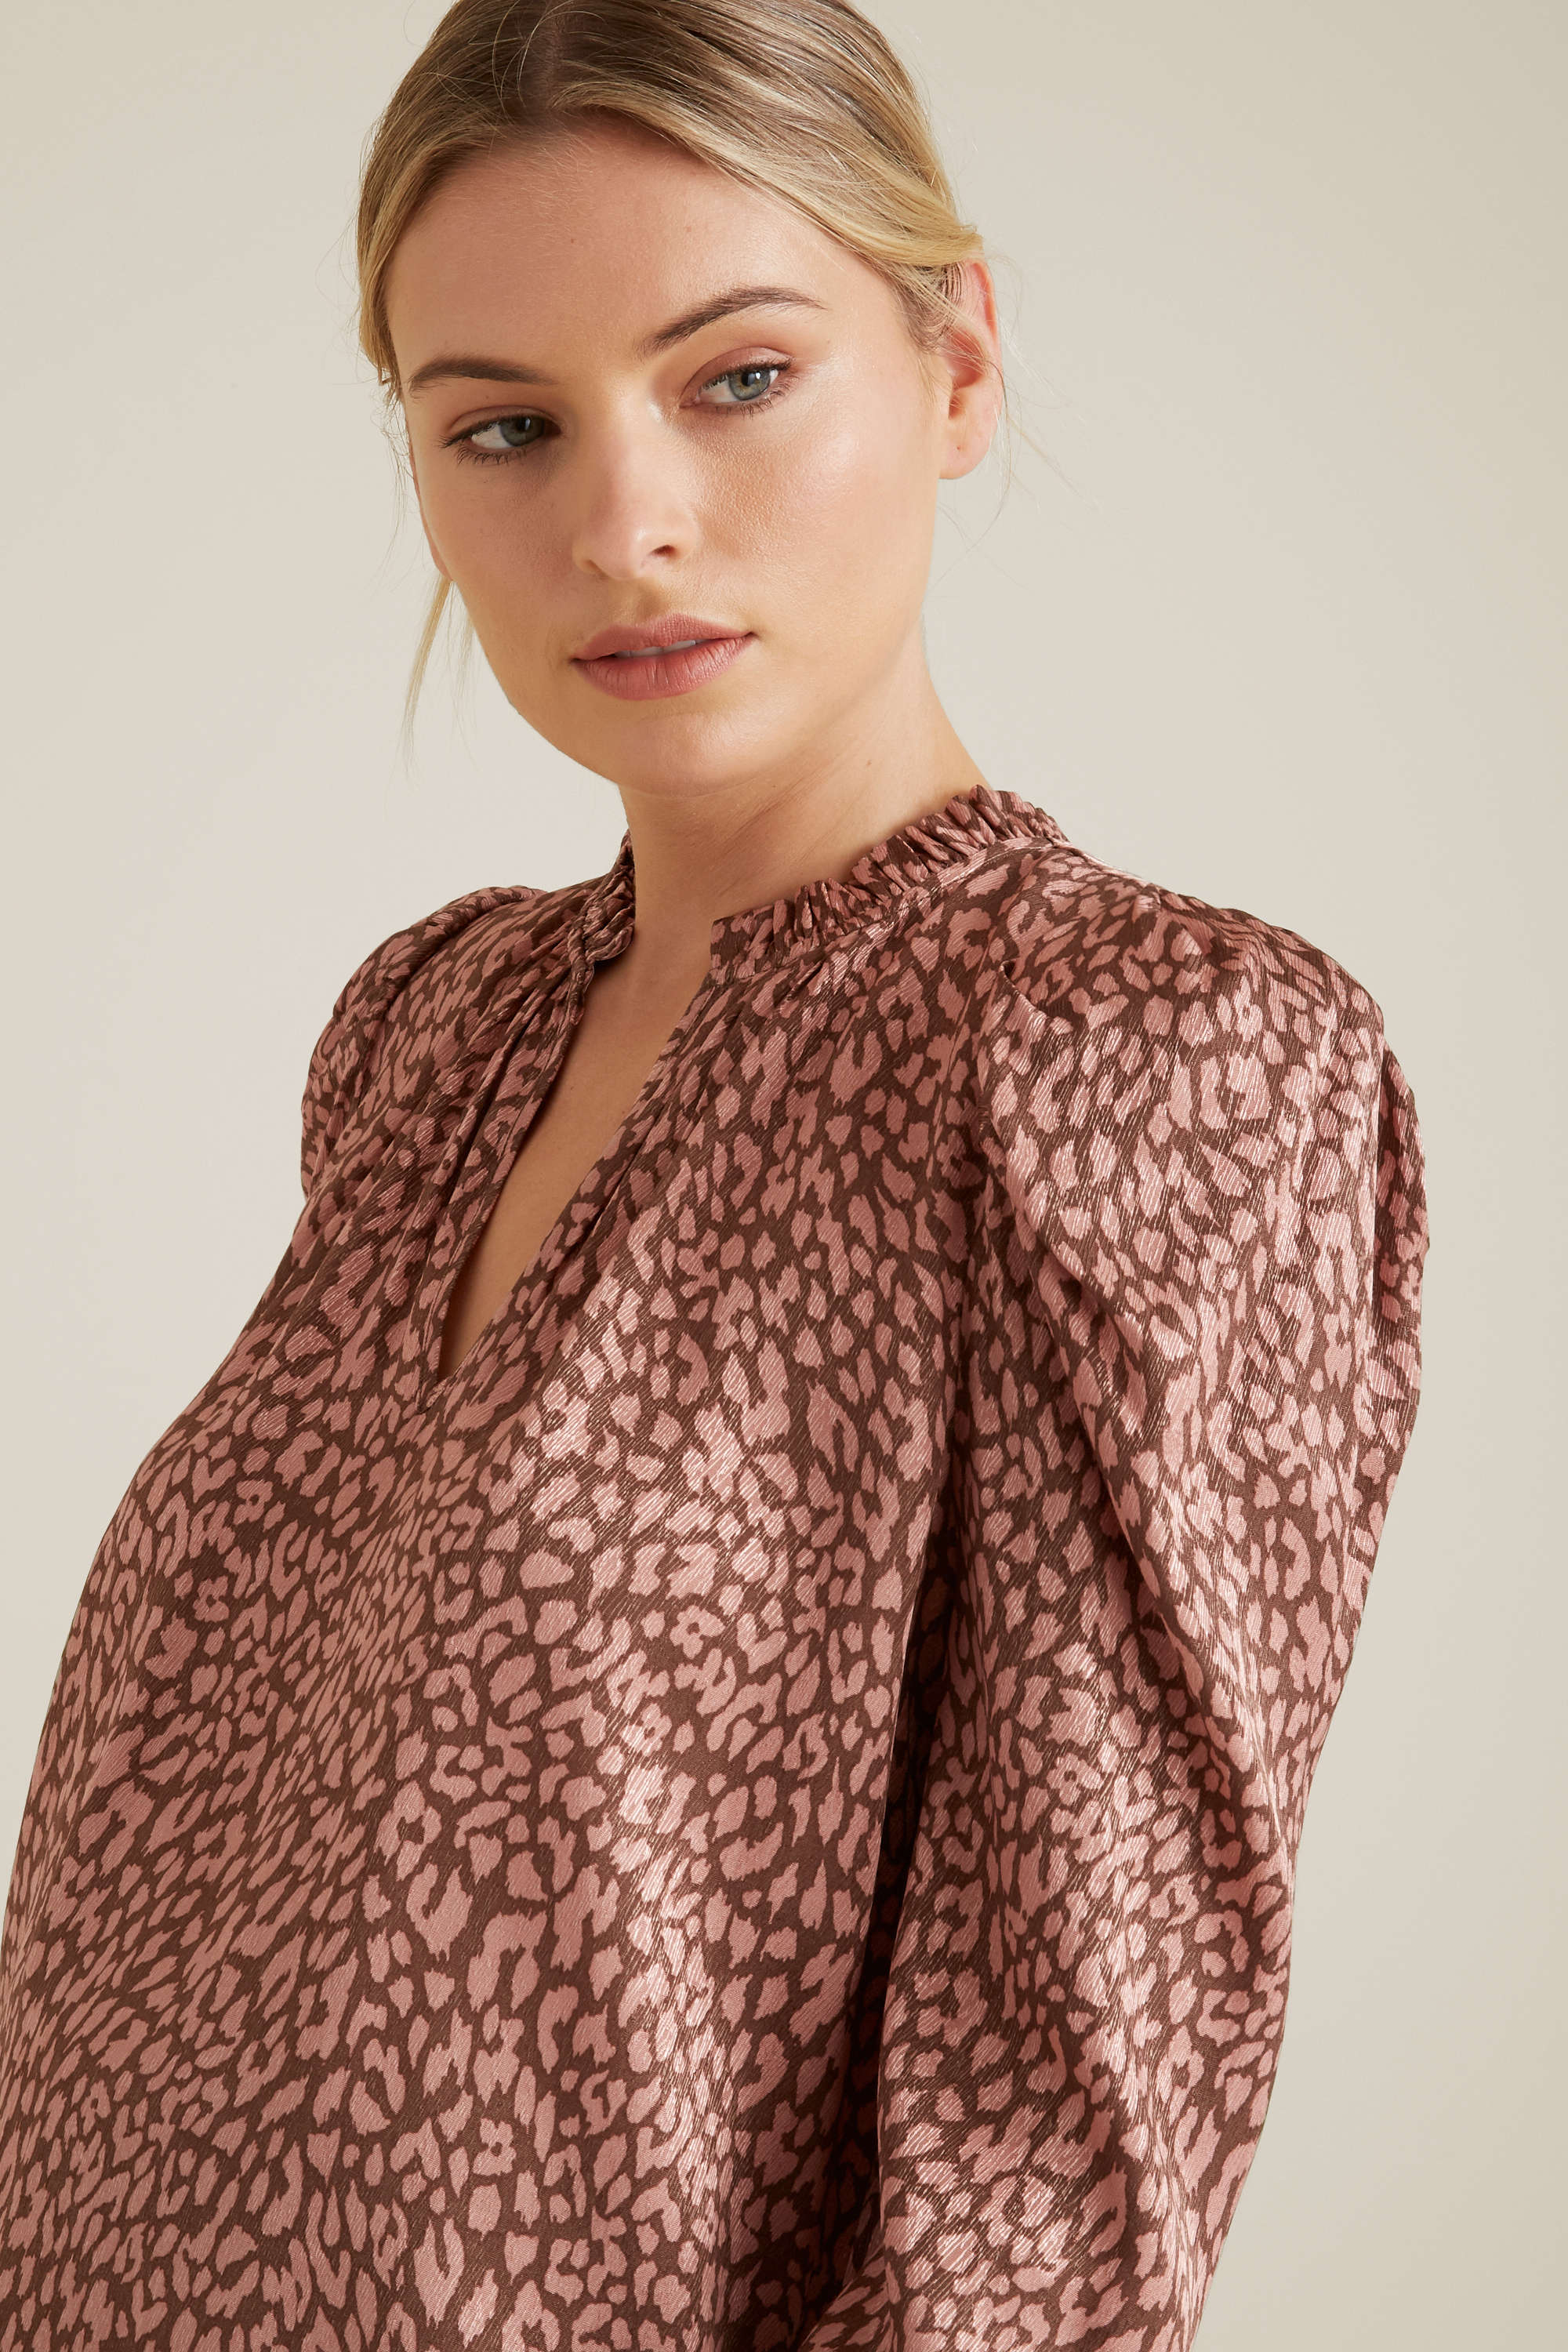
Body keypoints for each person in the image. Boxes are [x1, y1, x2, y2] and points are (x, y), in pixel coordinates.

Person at [0, 2, 1427, 2346]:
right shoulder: (432, 1033)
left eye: (737, 378)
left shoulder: (1145, 1060)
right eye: (504, 426)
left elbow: (1062, 2164)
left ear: (959, 360)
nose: (623, 522)